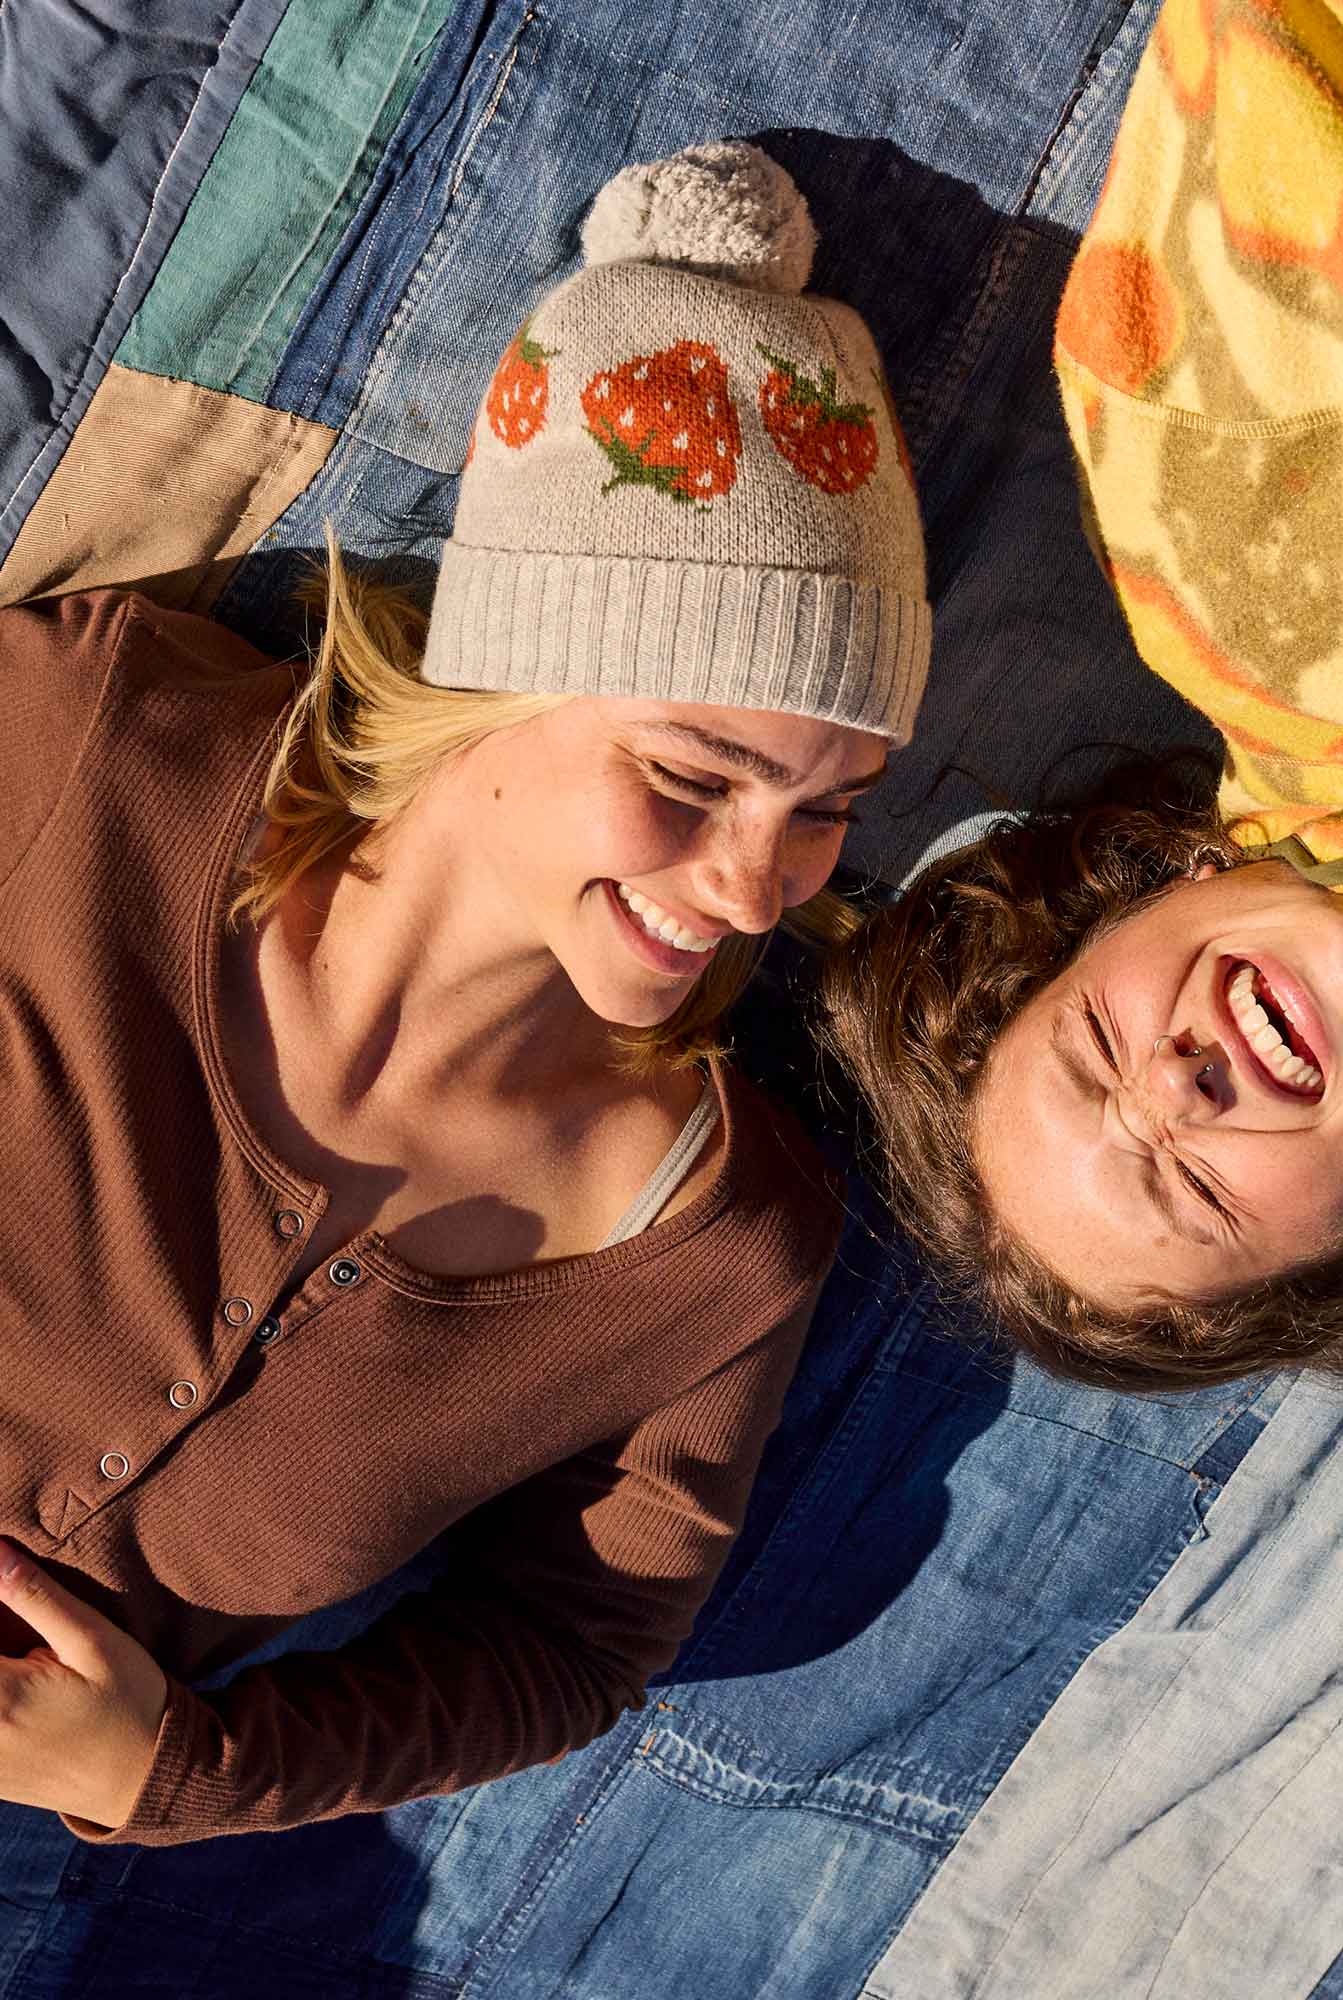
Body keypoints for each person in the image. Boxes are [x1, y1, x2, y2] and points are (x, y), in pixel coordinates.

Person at [0, 141, 928, 1846]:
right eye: (694, 775)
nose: (754, 889)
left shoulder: (715, 1246)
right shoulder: (85, 742)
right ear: (504, 670)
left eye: (829, 810)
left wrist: (174, 1774)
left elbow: (573, 1647)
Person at [824, 0, 1343, 1405]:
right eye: (1194, 1187)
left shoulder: (1226, 506)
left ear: (1139, 898)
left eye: (1096, 1045)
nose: (1176, 1086)